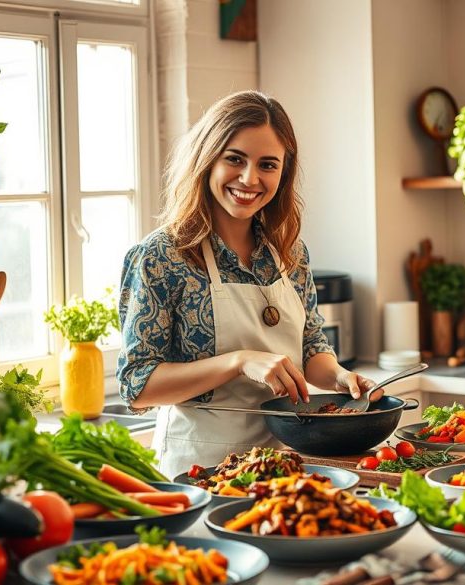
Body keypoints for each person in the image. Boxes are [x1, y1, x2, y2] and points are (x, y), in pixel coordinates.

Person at [117, 90, 379, 476]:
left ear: (283, 173)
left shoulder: (289, 252)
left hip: (285, 466)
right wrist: (239, 361)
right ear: (207, 159)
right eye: (235, 159)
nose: (249, 178)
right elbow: (137, 387)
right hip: (199, 472)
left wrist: (340, 377)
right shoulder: (162, 256)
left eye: (268, 165)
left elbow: (311, 350)